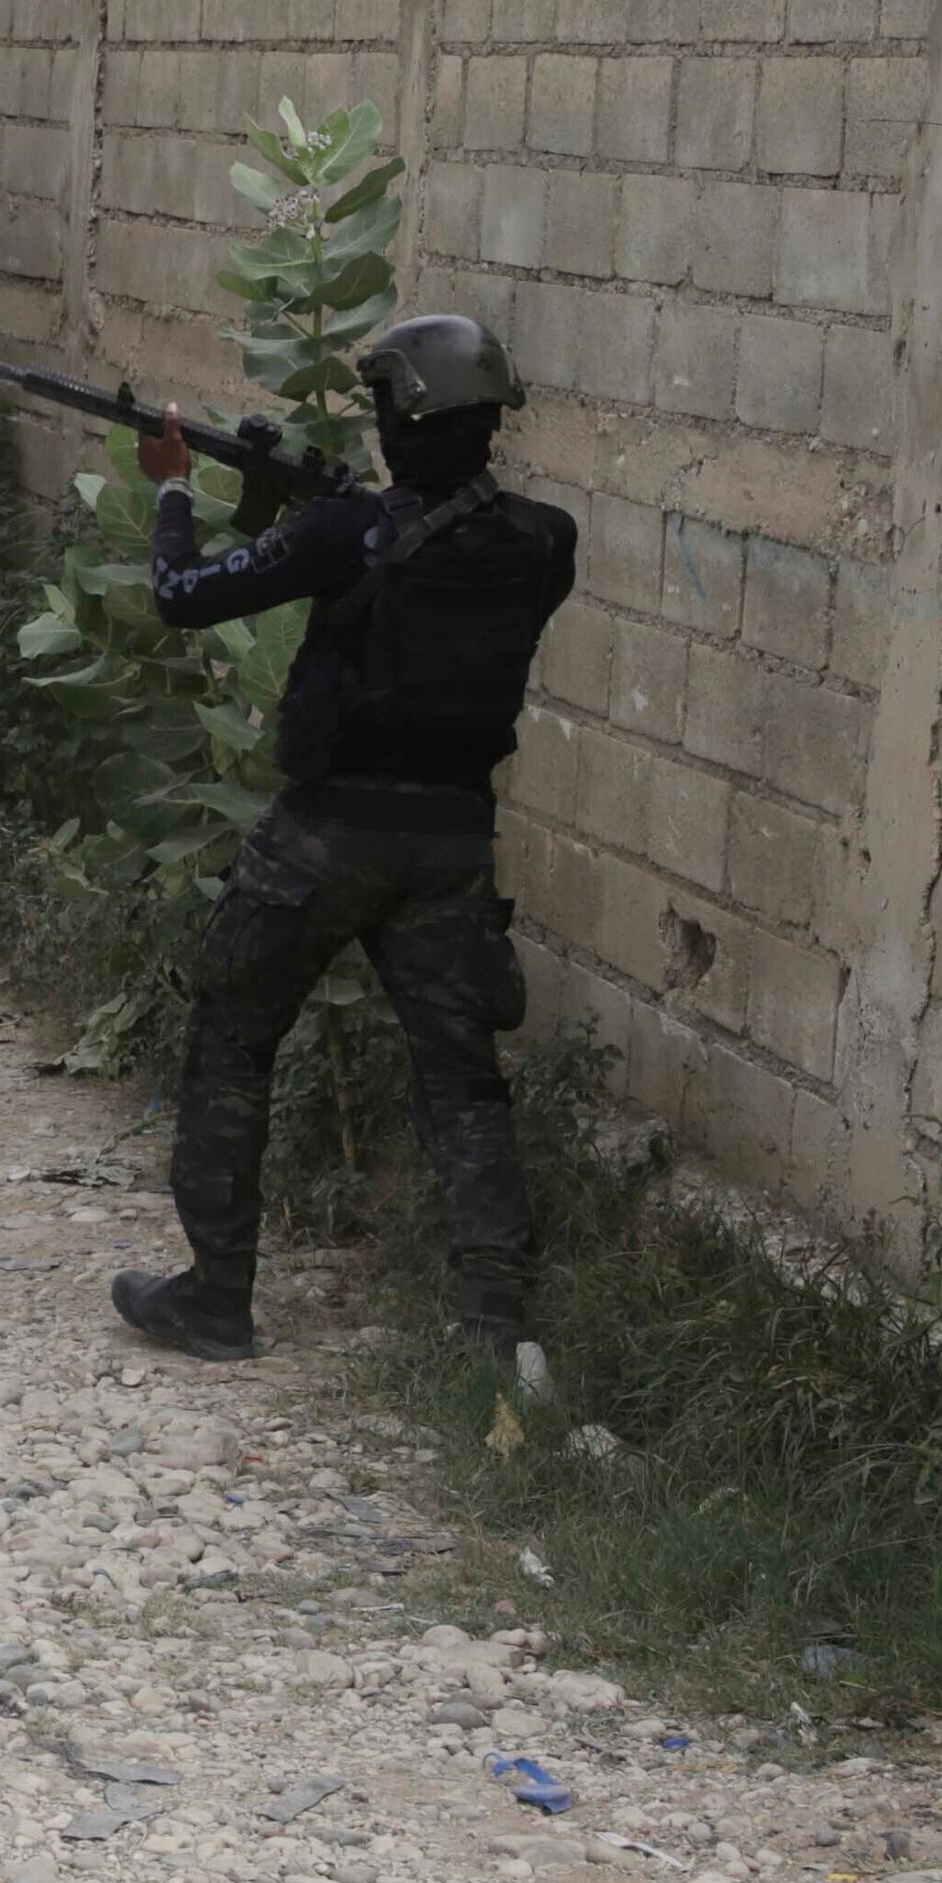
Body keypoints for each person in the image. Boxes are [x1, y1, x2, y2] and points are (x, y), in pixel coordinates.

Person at [107, 315, 580, 1370]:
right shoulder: (545, 541)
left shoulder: (344, 535)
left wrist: (177, 487)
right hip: (451, 844)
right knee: (461, 1084)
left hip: (323, 838)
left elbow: (186, 598)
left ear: (398, 416)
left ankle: (215, 1299)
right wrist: (287, 506)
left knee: (231, 1039)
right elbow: (418, 573)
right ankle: (499, 1338)